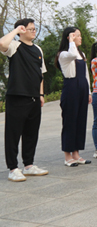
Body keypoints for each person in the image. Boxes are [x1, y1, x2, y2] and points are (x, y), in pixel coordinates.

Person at [1, 19, 48, 182]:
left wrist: (41, 94)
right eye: (30, 29)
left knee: (31, 133)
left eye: (34, 29)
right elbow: (2, 43)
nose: (34, 31)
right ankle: (13, 169)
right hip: (17, 96)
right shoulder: (14, 46)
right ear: (21, 31)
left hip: (34, 97)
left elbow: (40, 74)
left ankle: (29, 165)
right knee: (13, 134)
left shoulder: (38, 49)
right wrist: (15, 31)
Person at [57, 27, 92, 166]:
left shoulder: (81, 54)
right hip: (71, 87)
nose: (80, 38)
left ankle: (76, 153)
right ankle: (67, 155)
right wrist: (71, 41)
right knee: (70, 121)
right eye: (77, 35)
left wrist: (89, 92)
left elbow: (86, 74)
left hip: (82, 87)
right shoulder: (64, 54)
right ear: (70, 37)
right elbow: (72, 54)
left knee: (80, 121)